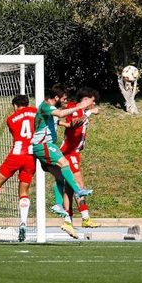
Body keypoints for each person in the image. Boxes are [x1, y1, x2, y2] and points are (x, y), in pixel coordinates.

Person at [30, 89, 93, 239]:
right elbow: (60, 114)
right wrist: (80, 107)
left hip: (45, 146)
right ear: (56, 97)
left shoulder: (49, 110)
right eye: (63, 98)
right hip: (43, 145)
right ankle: (78, 190)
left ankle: (58, 205)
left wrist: (82, 116)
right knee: (64, 163)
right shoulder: (46, 106)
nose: (65, 101)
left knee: (60, 177)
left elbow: (63, 122)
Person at [0, 94, 39, 241]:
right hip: (31, 156)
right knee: (24, 191)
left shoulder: (10, 119)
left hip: (15, 155)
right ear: (28, 103)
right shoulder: (36, 113)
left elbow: (16, 133)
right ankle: (23, 223)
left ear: (15, 106)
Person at [60, 89, 100, 229]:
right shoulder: (76, 109)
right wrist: (88, 113)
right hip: (69, 152)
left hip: (74, 153)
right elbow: (74, 124)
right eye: (91, 100)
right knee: (79, 185)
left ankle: (67, 221)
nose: (93, 103)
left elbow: (65, 107)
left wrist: (90, 111)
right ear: (84, 100)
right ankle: (85, 218)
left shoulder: (75, 108)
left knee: (69, 189)